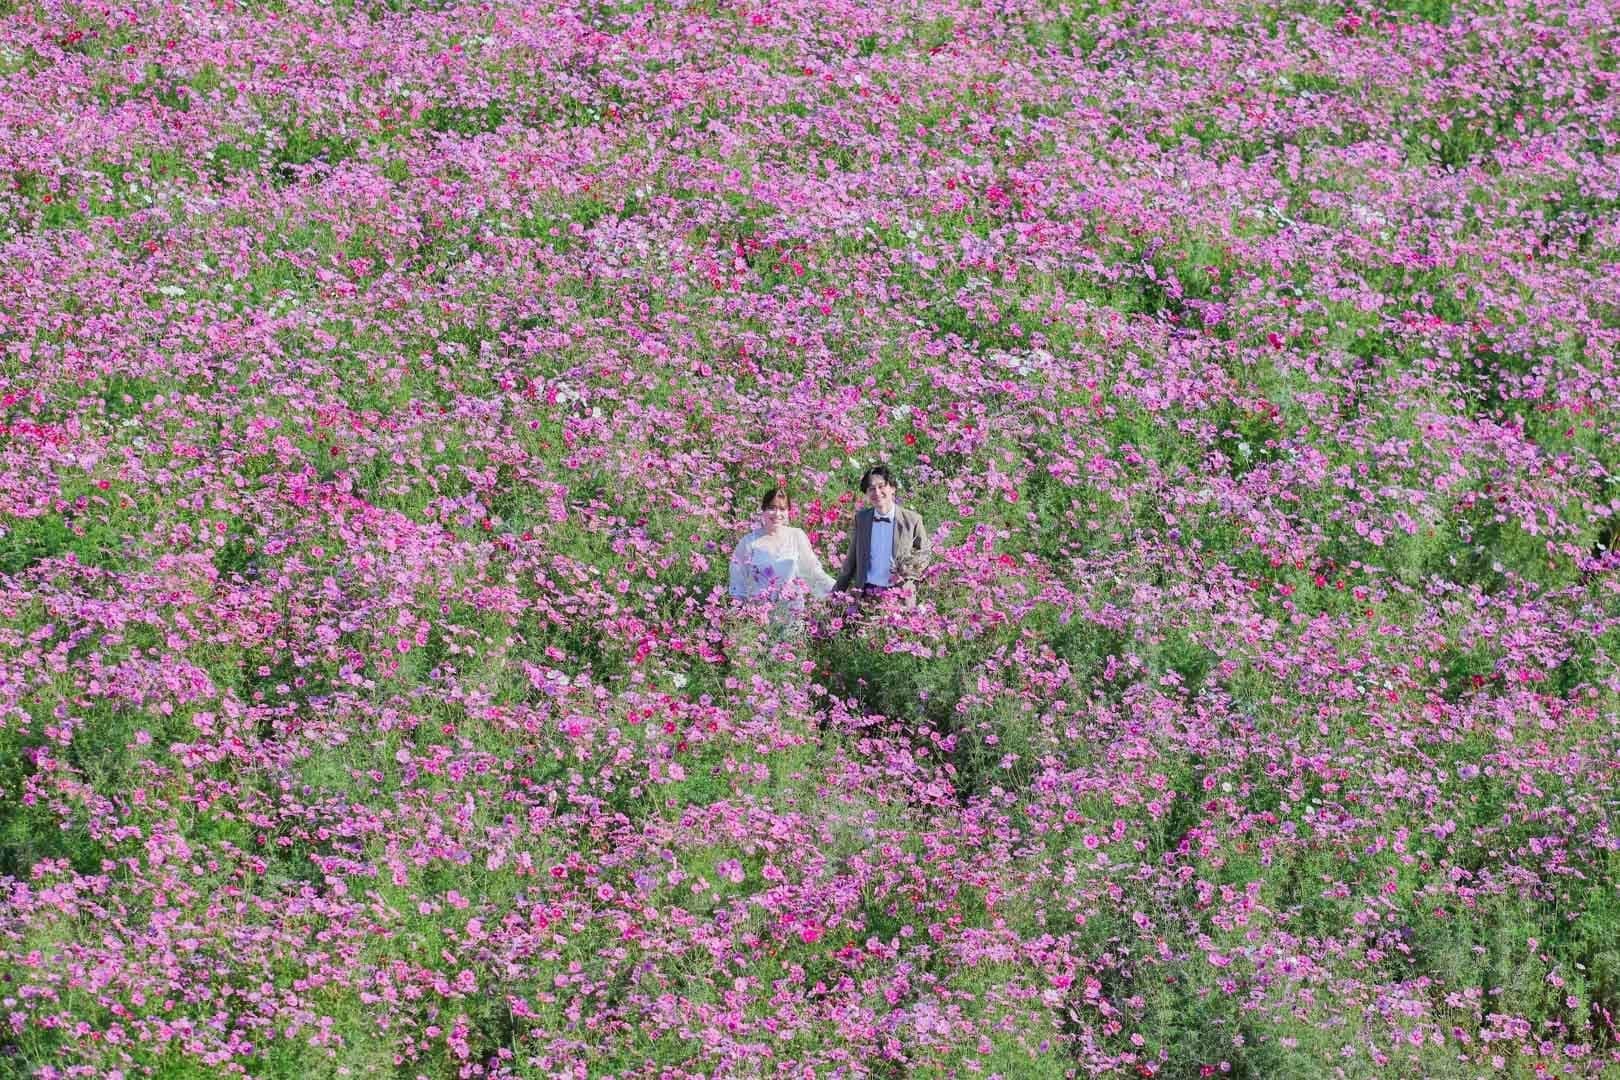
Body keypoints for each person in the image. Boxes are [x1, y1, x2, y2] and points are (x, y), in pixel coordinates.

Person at [728, 484, 835, 626]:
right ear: (763, 510)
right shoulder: (749, 542)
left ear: (788, 512)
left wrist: (837, 590)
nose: (777, 514)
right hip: (759, 616)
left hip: (791, 612)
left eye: (782, 509)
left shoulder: (796, 536)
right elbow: (738, 578)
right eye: (772, 508)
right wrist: (737, 614)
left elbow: (812, 571)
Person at [832, 464, 931, 605]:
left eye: (881, 486)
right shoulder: (862, 519)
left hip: (899, 595)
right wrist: (835, 594)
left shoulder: (912, 520)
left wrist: (906, 571)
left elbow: (925, 554)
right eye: (871, 488)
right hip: (866, 594)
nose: (877, 492)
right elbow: (851, 560)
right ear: (866, 494)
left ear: (892, 488)